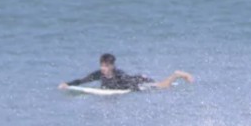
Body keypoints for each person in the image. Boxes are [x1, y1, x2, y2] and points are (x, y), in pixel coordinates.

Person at [58, 53, 193, 91]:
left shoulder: (119, 75)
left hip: (136, 83)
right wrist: (67, 84)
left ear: (112, 66)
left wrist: (143, 82)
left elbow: (131, 82)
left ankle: (177, 75)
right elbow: (82, 81)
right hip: (134, 81)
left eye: (105, 66)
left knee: (163, 87)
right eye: (101, 65)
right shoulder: (98, 74)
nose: (103, 68)